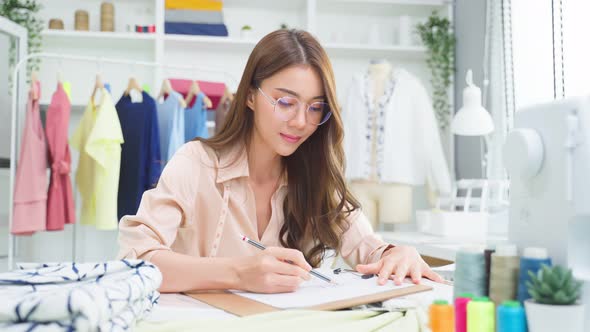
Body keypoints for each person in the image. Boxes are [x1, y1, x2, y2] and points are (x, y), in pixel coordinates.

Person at [117, 29, 443, 294]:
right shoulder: (196, 164)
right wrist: (238, 273)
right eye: (286, 102)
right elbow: (137, 260)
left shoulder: (316, 173)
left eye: (315, 107)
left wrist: (395, 254)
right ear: (249, 96)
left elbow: (366, 246)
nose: (301, 121)